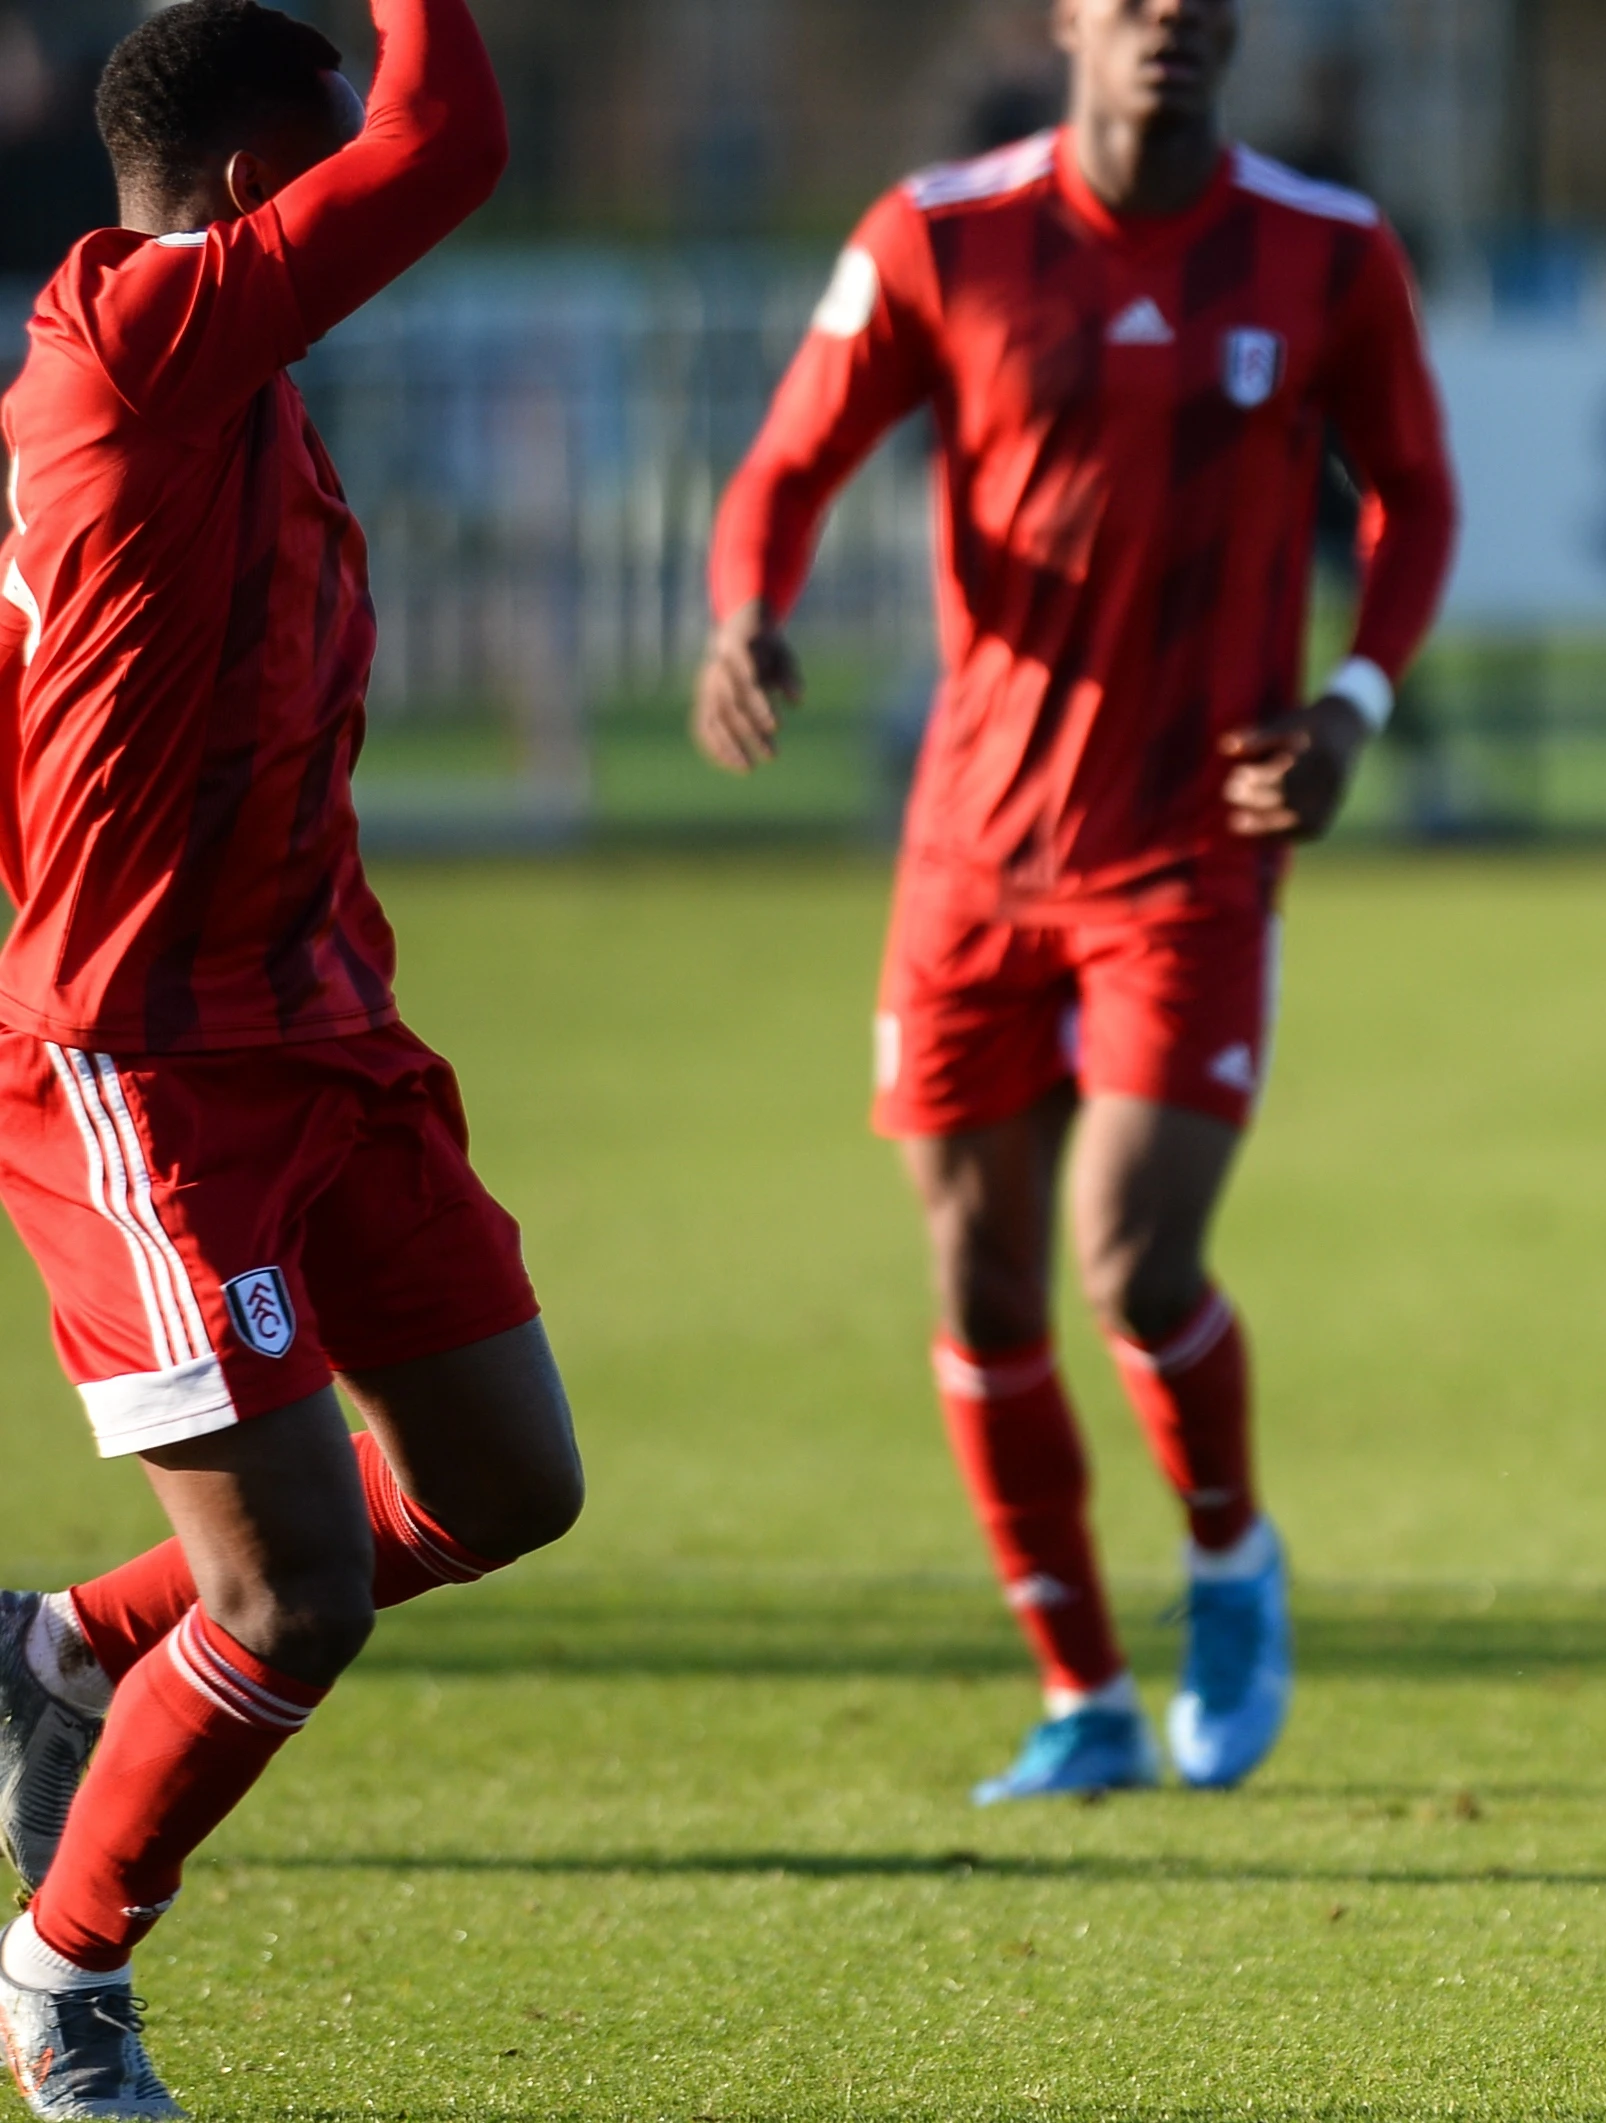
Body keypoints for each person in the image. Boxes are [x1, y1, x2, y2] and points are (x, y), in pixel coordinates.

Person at [697, 0, 1456, 1804]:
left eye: (1203, 5)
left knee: (1129, 1248)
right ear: (1070, 18)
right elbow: (785, 464)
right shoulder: (938, 237)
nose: (1170, 25)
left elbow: (1412, 496)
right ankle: (1080, 1692)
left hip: (1193, 845)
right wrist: (745, 609)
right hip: (969, 849)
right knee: (977, 1274)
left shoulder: (1326, 253)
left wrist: (1353, 702)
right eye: (1134, 0)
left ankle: (1225, 1558)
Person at [0, 2, 583, 2113]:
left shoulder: (190, 389)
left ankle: (57, 1648)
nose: (364, 227)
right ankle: (59, 1977)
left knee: (508, 1487)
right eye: (322, 184)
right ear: (260, 191)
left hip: (330, 1032)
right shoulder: (145, 354)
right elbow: (449, 127)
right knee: (293, 1590)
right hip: (155, 1070)